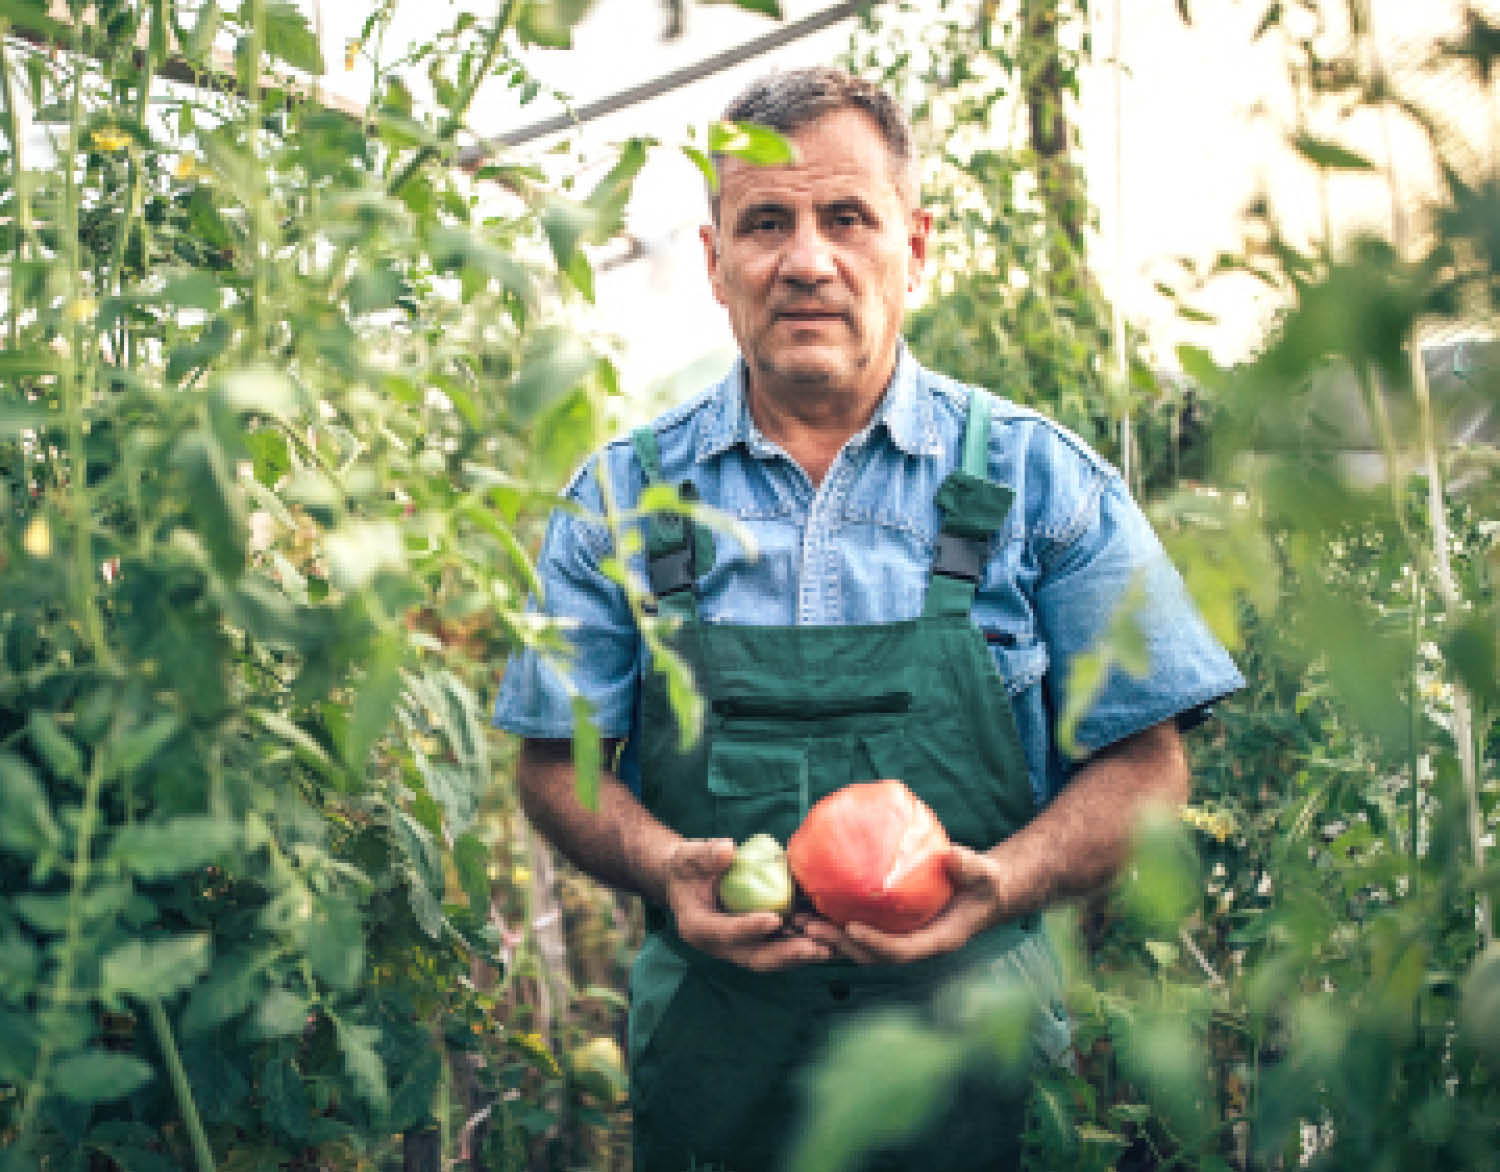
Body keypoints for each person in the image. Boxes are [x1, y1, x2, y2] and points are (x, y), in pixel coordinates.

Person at [493, 66, 1243, 1172]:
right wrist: (662, 865)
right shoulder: (620, 500)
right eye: (765, 222)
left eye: (847, 217)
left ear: (916, 246)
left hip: (974, 1069)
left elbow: (1149, 762)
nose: (807, 259)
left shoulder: (1040, 482)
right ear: (714, 262)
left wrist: (1011, 881)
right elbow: (556, 760)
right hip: (718, 1082)